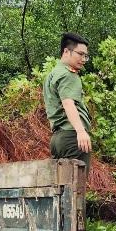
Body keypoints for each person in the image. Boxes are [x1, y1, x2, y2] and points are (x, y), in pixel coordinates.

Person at [43, 33, 92, 172]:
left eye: (85, 56)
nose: (83, 59)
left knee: (60, 188)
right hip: (72, 137)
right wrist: (81, 131)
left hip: (58, 139)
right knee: (76, 187)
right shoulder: (68, 74)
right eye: (80, 54)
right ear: (66, 51)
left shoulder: (53, 74)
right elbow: (68, 103)